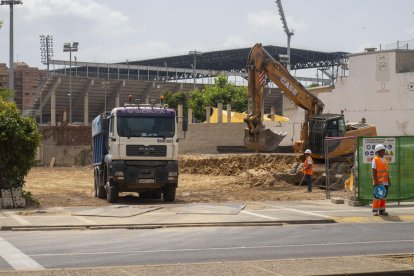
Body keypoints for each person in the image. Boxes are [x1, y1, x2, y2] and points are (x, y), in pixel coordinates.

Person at [372, 144, 391, 216]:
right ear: (378, 151)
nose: (384, 151)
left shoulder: (385, 160)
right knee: (377, 196)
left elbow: (386, 171)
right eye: (383, 150)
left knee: (384, 196)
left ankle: (382, 210)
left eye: (384, 150)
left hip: (385, 181)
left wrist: (389, 180)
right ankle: (375, 210)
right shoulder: (375, 159)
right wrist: (375, 181)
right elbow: (374, 171)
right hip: (378, 181)